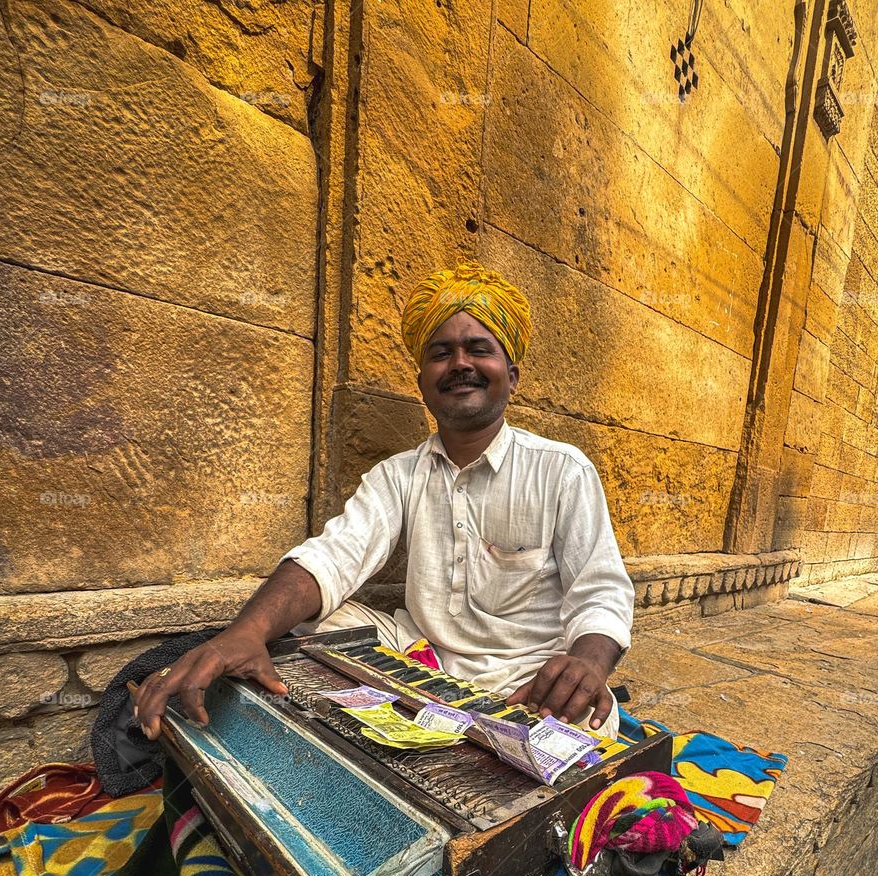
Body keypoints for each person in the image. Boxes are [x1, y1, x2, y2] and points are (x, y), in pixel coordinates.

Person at [134, 258, 634, 741]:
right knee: (305, 623)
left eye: (478, 349)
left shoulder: (562, 469)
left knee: (582, 721)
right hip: (420, 658)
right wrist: (245, 632)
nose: (459, 364)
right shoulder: (398, 475)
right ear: (423, 384)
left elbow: (602, 591)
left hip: (527, 677)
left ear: (512, 375)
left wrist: (587, 664)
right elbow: (334, 556)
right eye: (441, 353)